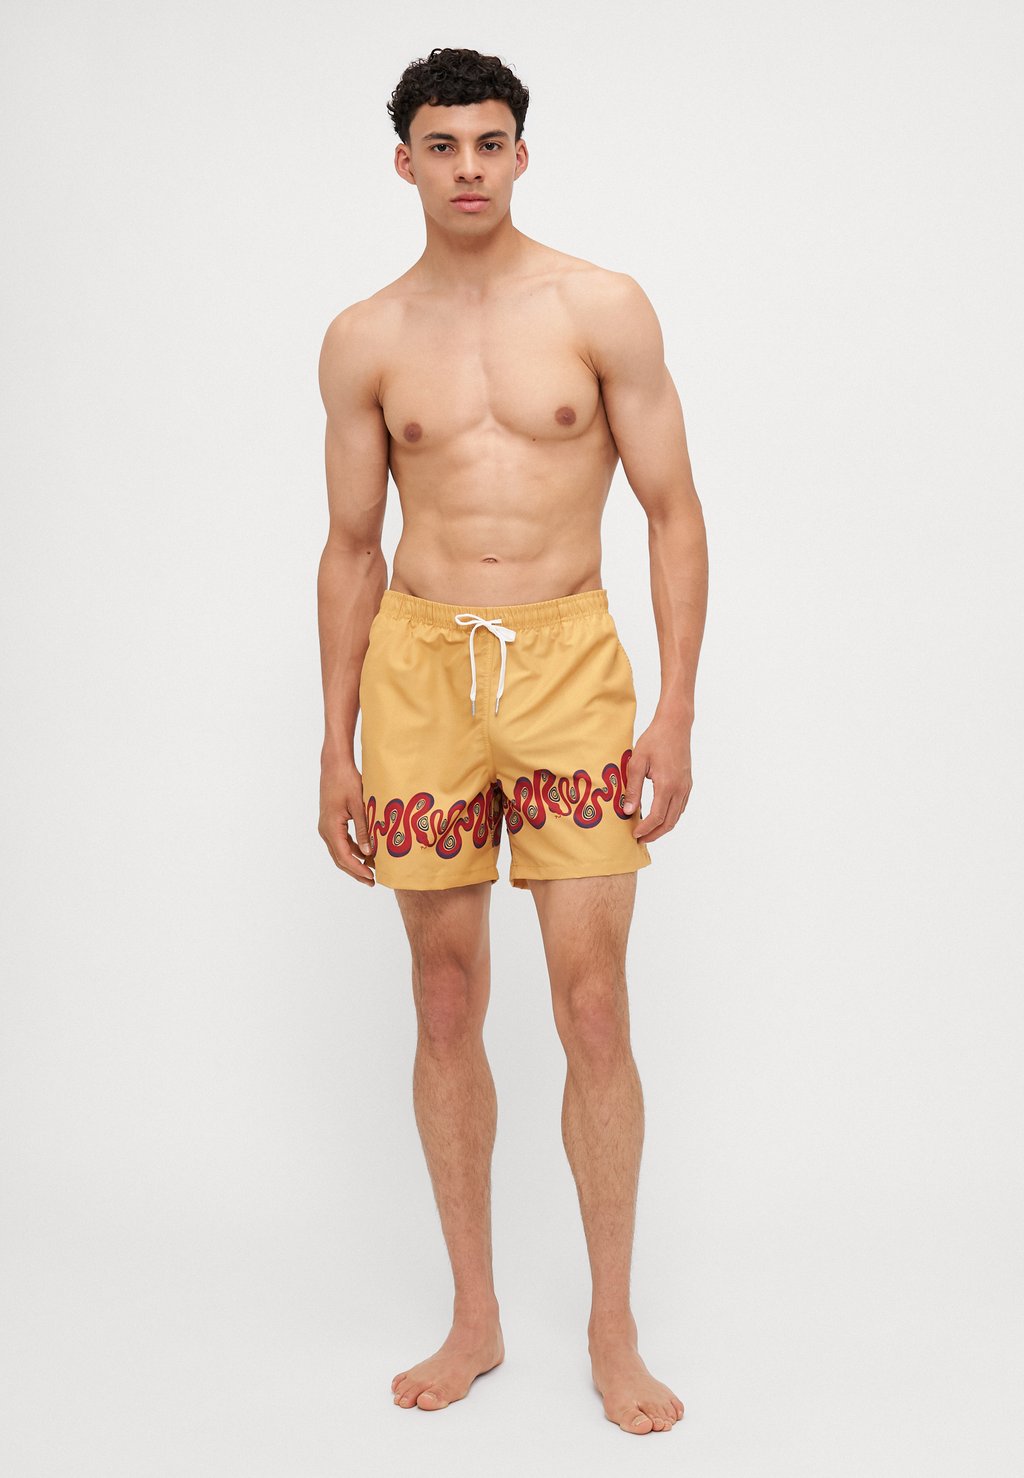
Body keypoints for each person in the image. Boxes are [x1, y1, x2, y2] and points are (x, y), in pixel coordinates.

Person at [316, 47, 708, 1436]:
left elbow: (672, 510)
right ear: (405, 162)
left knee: (593, 1002)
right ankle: (474, 1313)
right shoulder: (365, 337)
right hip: (420, 673)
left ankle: (612, 1325)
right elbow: (351, 547)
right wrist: (334, 744)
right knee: (441, 995)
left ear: (521, 155)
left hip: (567, 667)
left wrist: (674, 707)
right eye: (443, 145)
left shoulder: (600, 307)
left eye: (490, 142)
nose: (468, 166)